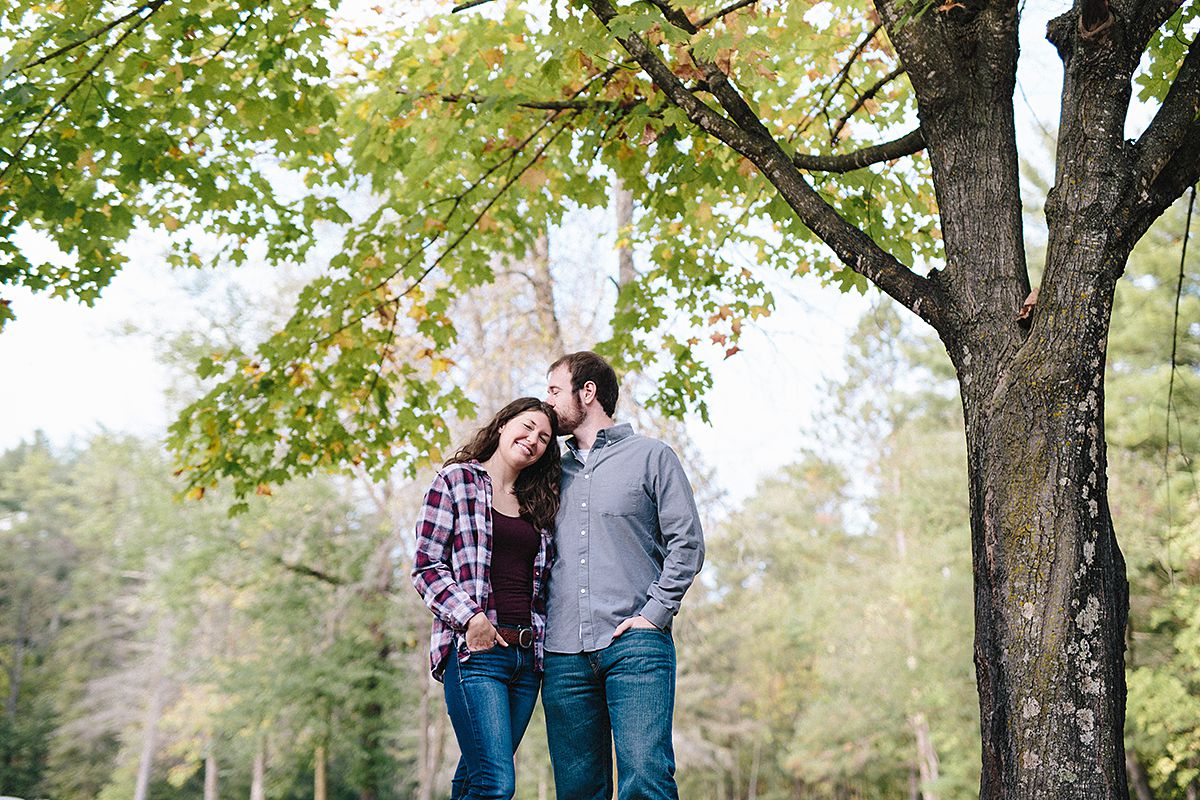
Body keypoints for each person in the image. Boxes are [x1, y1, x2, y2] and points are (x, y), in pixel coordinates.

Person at [541, 351, 705, 800]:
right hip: (561, 654)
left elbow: (687, 542)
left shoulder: (652, 457)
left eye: (555, 391)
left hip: (635, 645)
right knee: (577, 791)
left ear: (587, 392)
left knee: (646, 781)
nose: (547, 402)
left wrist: (654, 616)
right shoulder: (547, 471)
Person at [411, 397, 561, 800]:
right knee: (496, 784)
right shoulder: (456, 482)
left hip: (528, 661)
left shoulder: (539, 504)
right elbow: (426, 565)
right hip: (476, 654)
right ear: (502, 425)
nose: (533, 440)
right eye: (527, 427)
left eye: (544, 438)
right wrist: (471, 618)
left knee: (474, 779)